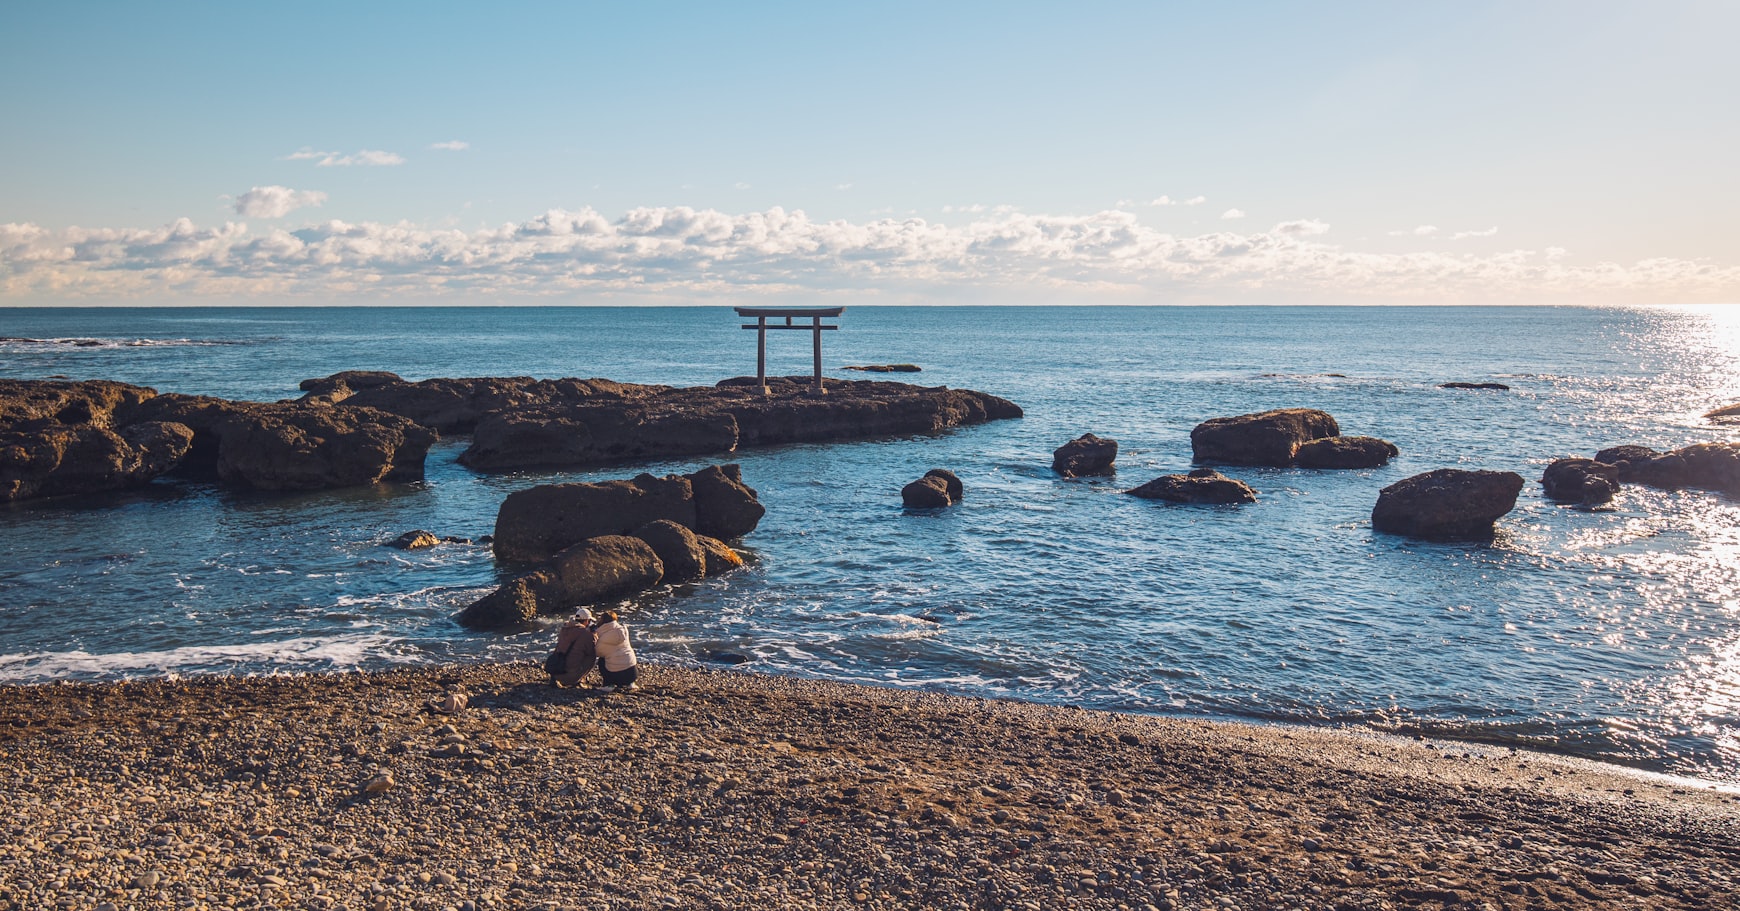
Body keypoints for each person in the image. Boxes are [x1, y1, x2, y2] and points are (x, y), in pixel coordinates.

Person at [550, 608, 598, 688]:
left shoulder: (565, 628)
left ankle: (558, 678)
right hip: (569, 675)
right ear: (587, 621)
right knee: (592, 655)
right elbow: (593, 647)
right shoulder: (586, 634)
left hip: (556, 670)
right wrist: (594, 634)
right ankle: (579, 678)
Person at [593, 609, 638, 692]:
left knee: (602, 660)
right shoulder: (624, 631)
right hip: (633, 673)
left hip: (616, 676)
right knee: (626, 653)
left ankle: (608, 685)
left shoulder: (602, 638)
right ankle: (630, 683)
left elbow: (597, 652)